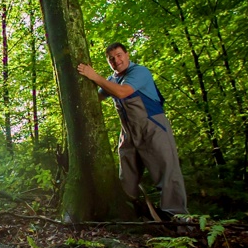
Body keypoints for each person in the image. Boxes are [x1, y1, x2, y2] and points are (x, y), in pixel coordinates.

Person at [77, 42, 188, 217]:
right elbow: (96, 98)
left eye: (119, 55)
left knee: (167, 172)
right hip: (128, 133)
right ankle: (130, 214)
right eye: (111, 58)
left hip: (153, 127)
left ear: (127, 55)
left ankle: (177, 218)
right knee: (126, 178)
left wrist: (95, 76)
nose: (116, 60)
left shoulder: (139, 72)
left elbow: (122, 92)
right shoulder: (112, 79)